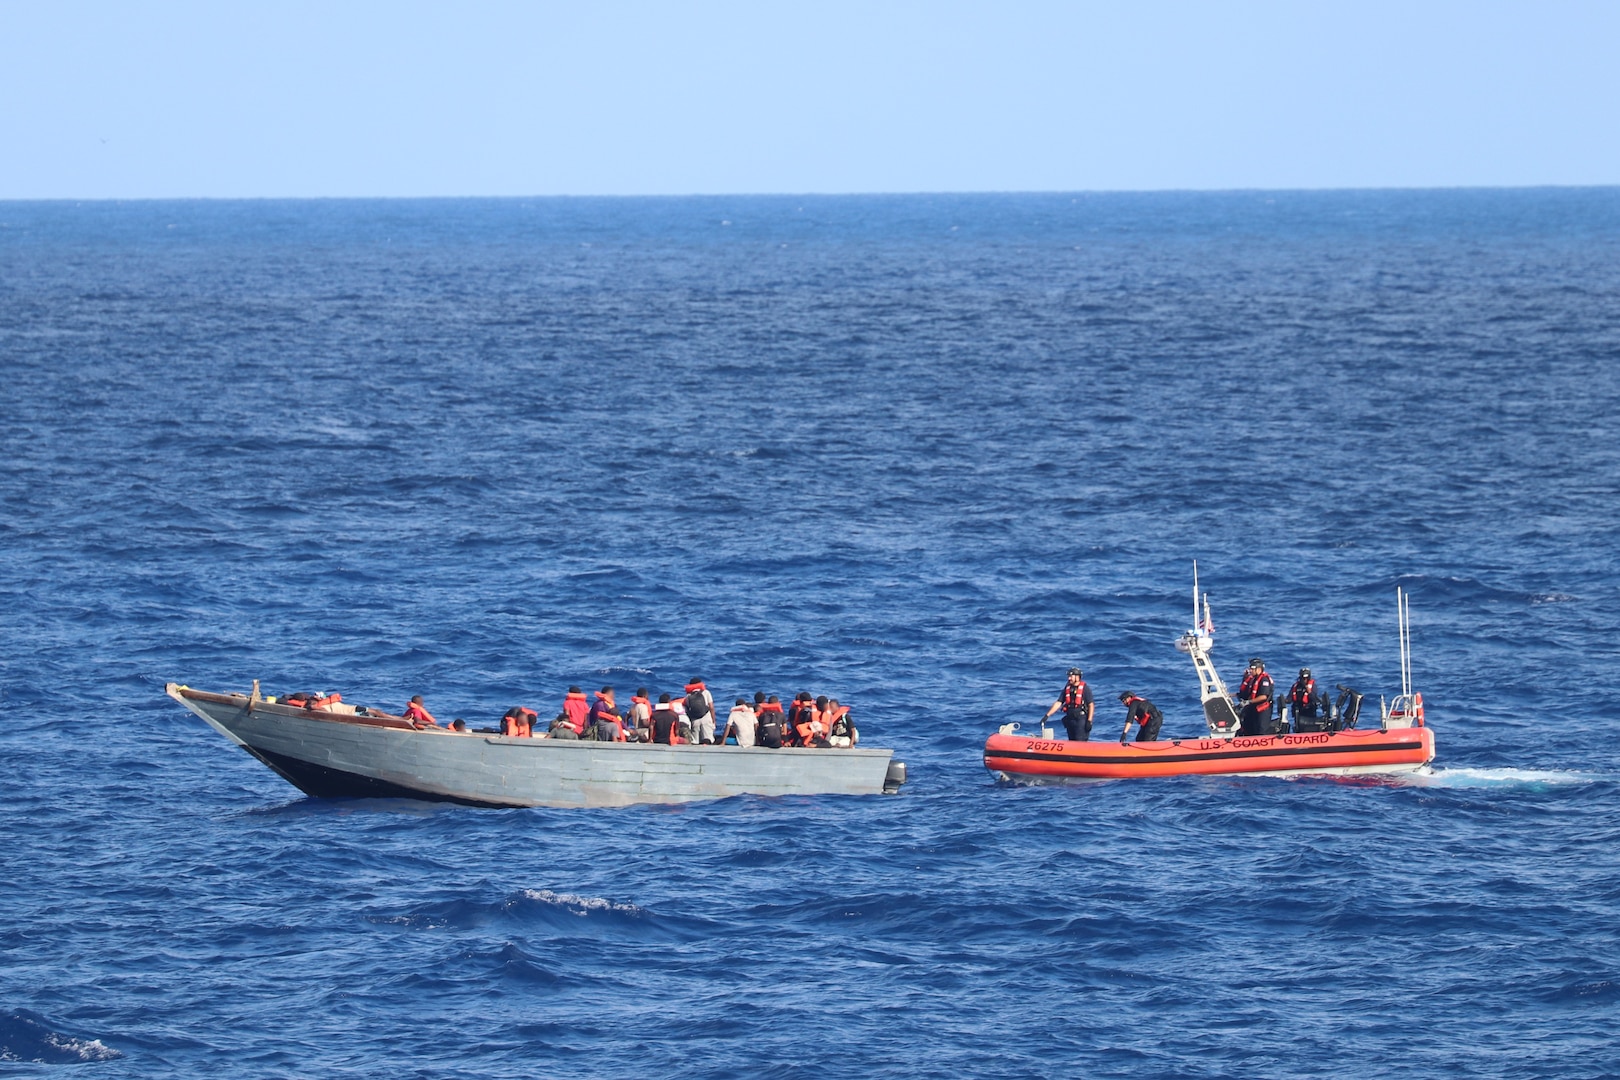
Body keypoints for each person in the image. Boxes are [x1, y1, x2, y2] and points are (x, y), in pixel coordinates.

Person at [1044, 669, 1094, 741]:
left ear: (1077, 677)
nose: (1069, 678)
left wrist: (1089, 721)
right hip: (1070, 719)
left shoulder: (1085, 689)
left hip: (1080, 720)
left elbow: (1091, 705)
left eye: (1071, 676)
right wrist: (1047, 715)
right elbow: (1059, 702)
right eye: (1069, 676)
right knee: (1071, 741)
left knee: (1080, 741)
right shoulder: (1067, 688)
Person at [1237, 658, 1277, 735]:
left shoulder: (1264, 680)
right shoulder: (1253, 679)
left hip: (1262, 709)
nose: (1250, 671)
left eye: (1252, 669)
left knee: (1261, 729)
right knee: (1247, 725)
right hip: (1254, 708)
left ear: (1258, 669)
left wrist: (1249, 702)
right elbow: (1246, 693)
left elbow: (1264, 697)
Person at [684, 678, 717, 745]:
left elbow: (687, 710)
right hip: (706, 719)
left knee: (696, 743)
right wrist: (713, 720)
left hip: (695, 721)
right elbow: (711, 707)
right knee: (709, 741)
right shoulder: (706, 692)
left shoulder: (688, 696)